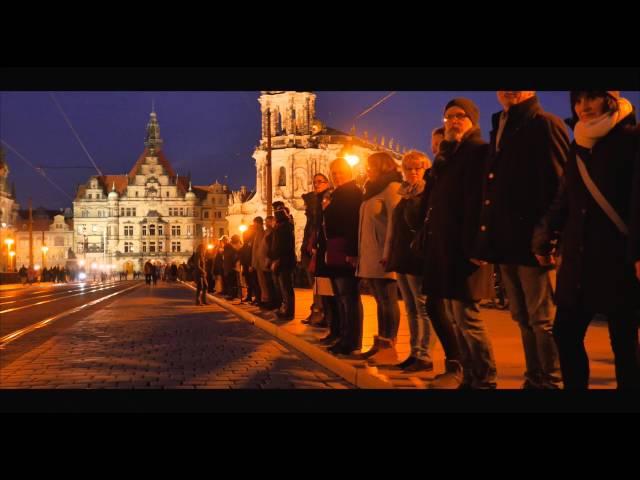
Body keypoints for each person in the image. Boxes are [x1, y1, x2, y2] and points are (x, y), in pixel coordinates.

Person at [533, 91, 640, 390]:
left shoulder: (632, 139)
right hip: (578, 261)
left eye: (591, 98)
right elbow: (565, 197)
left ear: (609, 98)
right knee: (565, 334)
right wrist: (545, 235)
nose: (583, 107)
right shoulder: (577, 144)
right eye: (578, 101)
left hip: (619, 260)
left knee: (624, 344)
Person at [473, 91, 570, 389]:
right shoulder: (501, 123)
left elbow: (561, 184)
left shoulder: (545, 124)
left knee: (541, 319)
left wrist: (549, 236)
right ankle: (534, 378)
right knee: (522, 317)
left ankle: (550, 382)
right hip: (506, 242)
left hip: (533, 241)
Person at [422, 98, 497, 389]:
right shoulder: (449, 155)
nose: (453, 121)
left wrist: (479, 245)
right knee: (457, 317)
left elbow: (483, 201)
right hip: (446, 247)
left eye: (460, 116)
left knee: (468, 318)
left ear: (472, 120)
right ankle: (469, 375)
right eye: (448, 117)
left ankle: (485, 378)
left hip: (467, 250)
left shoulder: (478, 151)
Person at [387, 150, 436, 372]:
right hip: (403, 257)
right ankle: (414, 352)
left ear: (426, 169)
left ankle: (424, 355)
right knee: (411, 308)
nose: (413, 172)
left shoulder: (428, 193)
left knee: (423, 307)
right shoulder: (404, 193)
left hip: (419, 258)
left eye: (418, 168)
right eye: (409, 168)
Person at [355, 152, 403, 366]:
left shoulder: (392, 187)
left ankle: (389, 346)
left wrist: (389, 252)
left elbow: (395, 221)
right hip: (371, 254)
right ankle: (380, 343)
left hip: (384, 254)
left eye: (371, 165)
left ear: (383, 167)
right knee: (379, 301)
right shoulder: (371, 190)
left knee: (388, 300)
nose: (368, 169)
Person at [315, 158, 364, 354]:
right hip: (334, 249)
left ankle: (352, 341)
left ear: (349, 172)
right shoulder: (337, 194)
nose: (337, 176)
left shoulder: (352, 193)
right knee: (340, 297)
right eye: (334, 173)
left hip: (345, 250)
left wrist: (352, 252)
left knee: (348, 297)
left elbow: (353, 224)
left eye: (341, 172)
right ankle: (344, 336)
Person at [271, 202, 297, 320]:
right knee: (284, 287)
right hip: (283, 260)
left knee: (286, 287)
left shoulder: (283, 227)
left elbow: (281, 246)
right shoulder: (284, 226)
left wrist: (277, 259)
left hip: (283, 260)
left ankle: (288, 311)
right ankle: (285, 308)